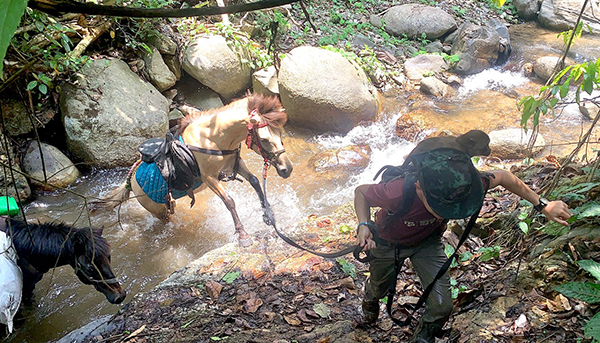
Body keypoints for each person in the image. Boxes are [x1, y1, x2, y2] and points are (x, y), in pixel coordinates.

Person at [354, 148, 571, 342]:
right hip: (387, 243)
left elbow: (504, 177)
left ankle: (424, 337)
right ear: (420, 188)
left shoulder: (463, 185)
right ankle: (370, 302)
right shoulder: (397, 191)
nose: (450, 212)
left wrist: (542, 204)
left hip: (427, 243)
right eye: (441, 206)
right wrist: (363, 224)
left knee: (442, 305)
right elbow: (361, 193)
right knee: (379, 286)